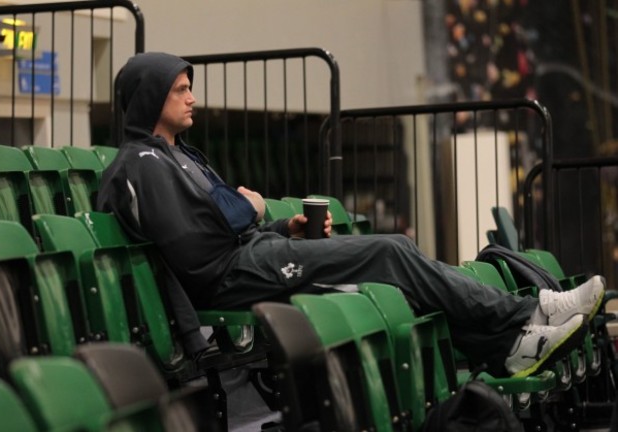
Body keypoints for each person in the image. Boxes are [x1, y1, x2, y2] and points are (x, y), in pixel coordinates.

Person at [98, 52, 605, 378]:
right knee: (387, 249)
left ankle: (511, 341)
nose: (193, 98)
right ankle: (526, 317)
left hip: (254, 254)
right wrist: (249, 207)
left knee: (399, 254)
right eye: (181, 90)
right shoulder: (138, 163)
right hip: (228, 277)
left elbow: (224, 217)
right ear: (151, 98)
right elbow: (193, 241)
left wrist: (279, 224)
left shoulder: (182, 153)